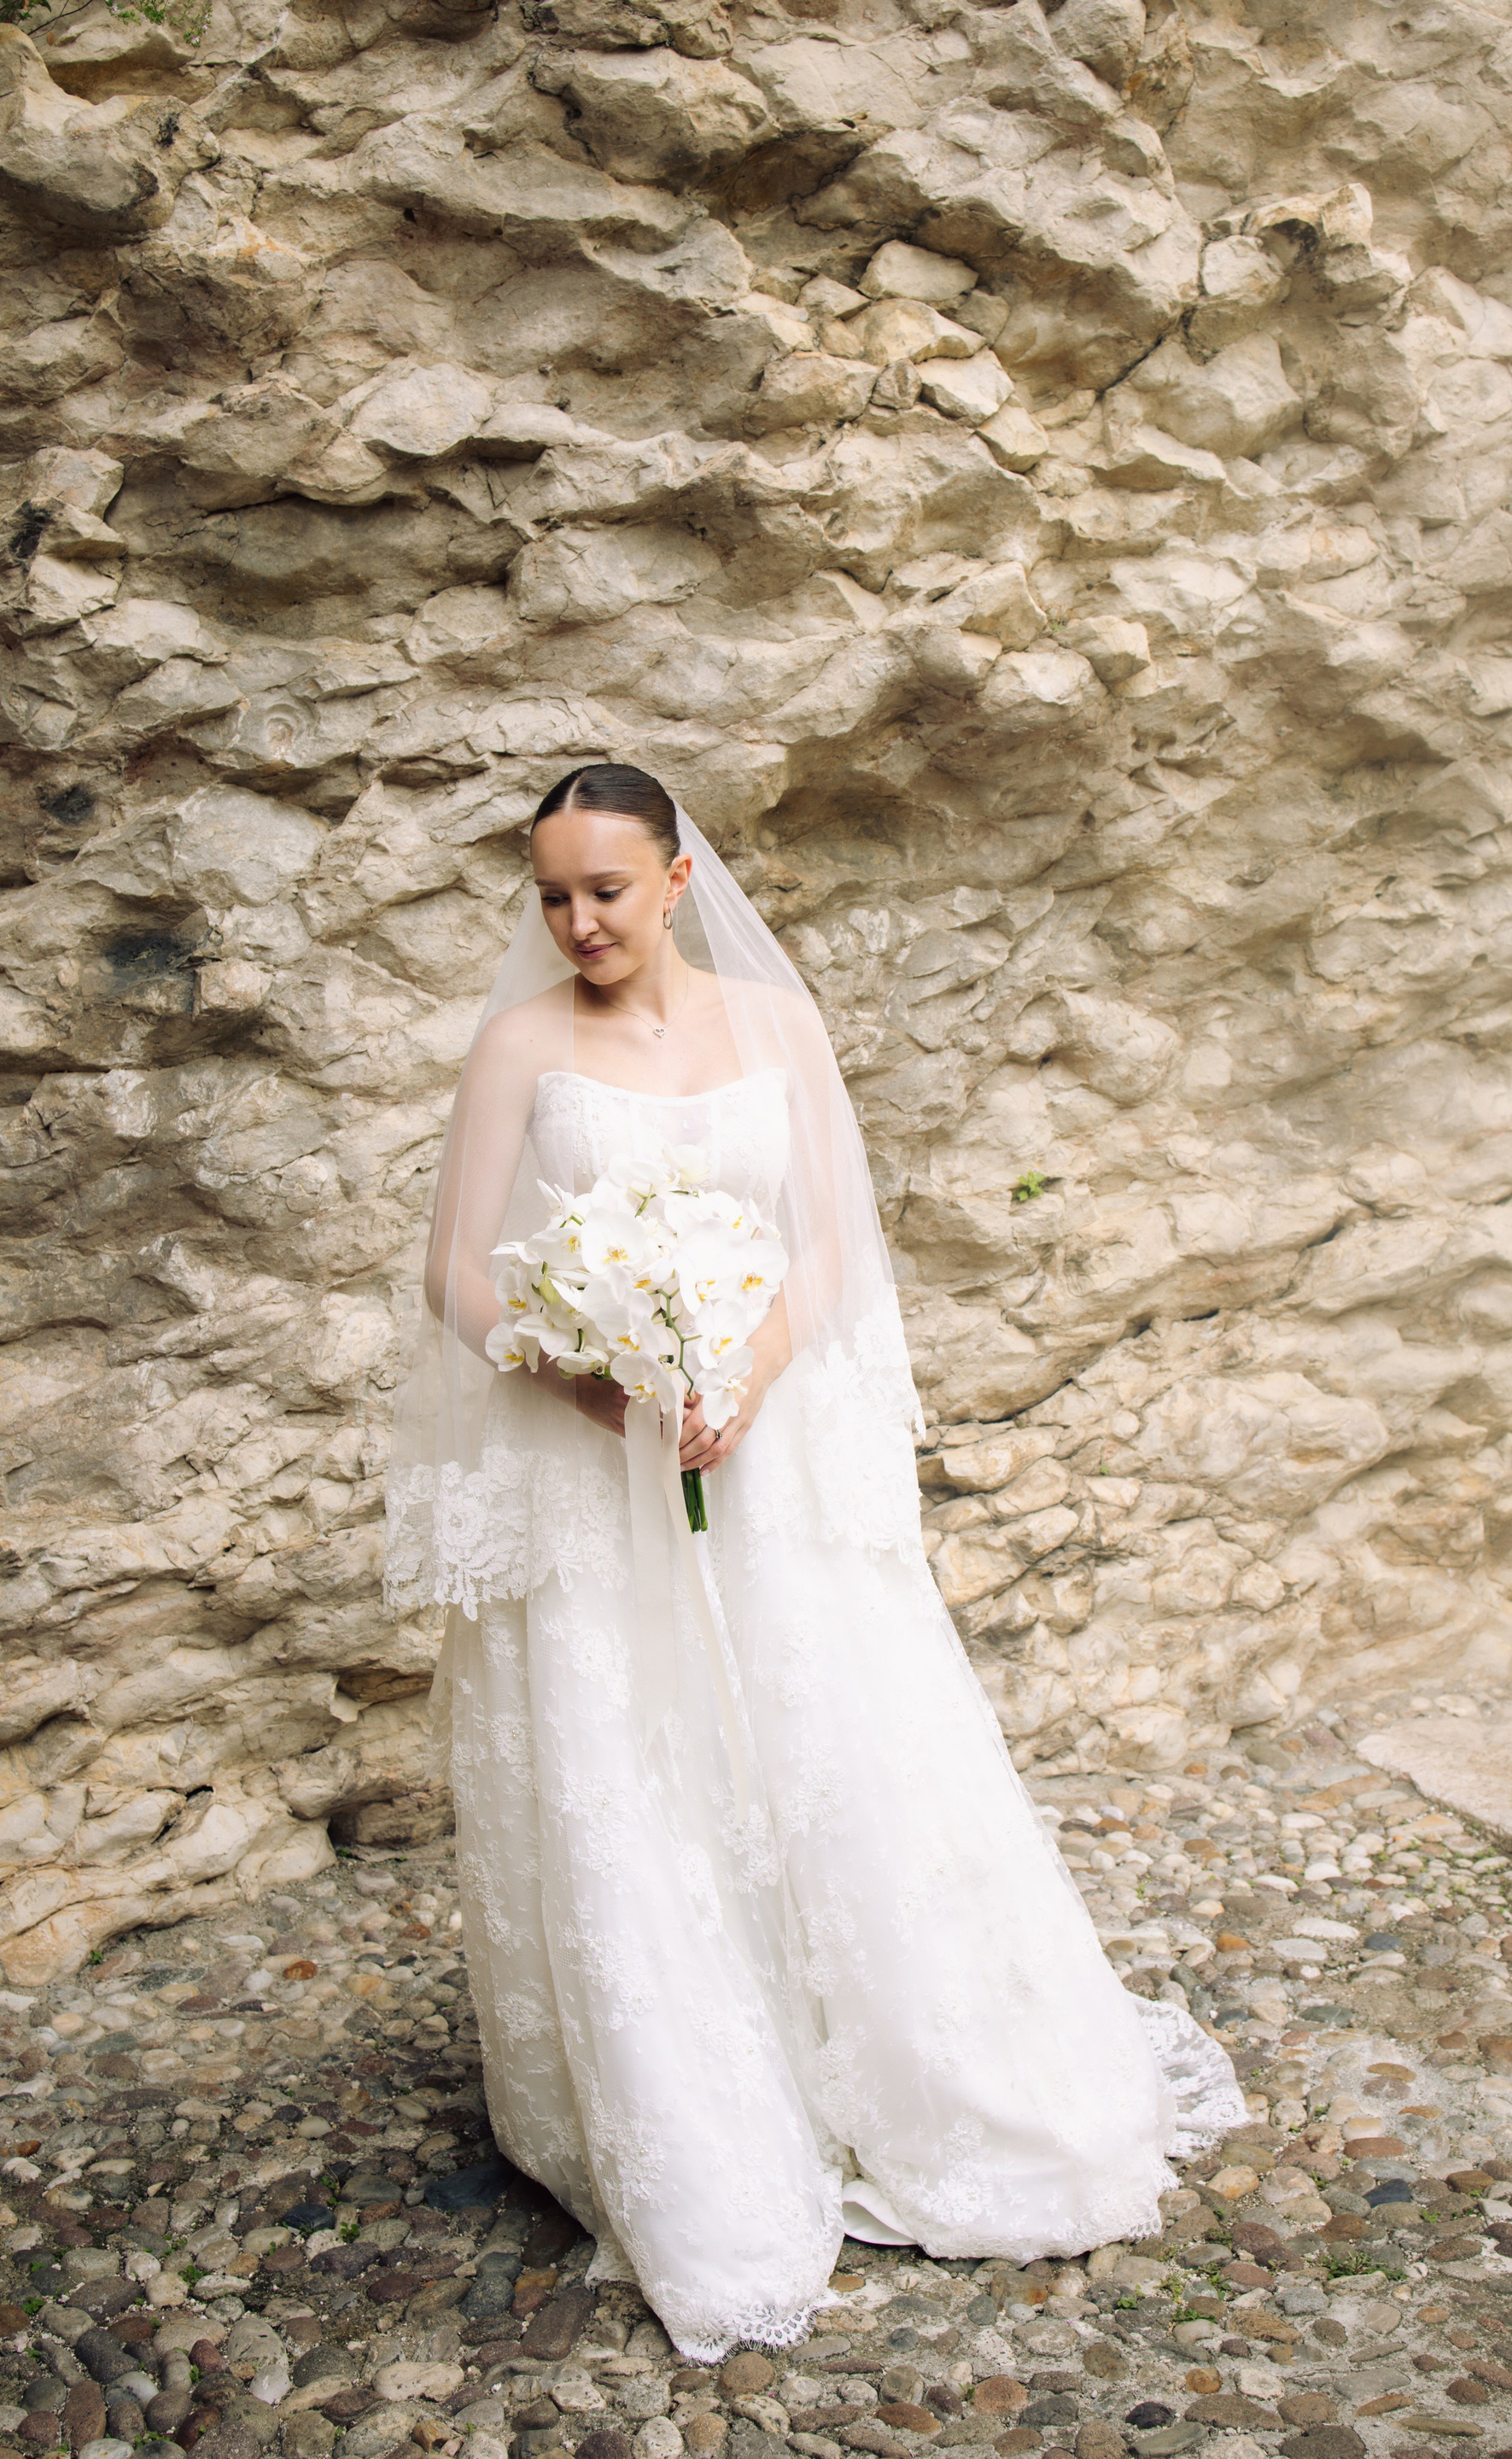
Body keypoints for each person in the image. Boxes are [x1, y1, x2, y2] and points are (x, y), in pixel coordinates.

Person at [385, 762, 1244, 2363]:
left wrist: (745, 1370)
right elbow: (455, 1268)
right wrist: (594, 1380)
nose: (577, 923)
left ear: (678, 878)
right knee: (634, 1755)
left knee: (824, 1741)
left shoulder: (778, 1025)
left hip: (758, 1445)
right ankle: (696, 2115)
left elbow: (833, 1238)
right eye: (552, 896)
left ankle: (909, 2070)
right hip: (596, 1456)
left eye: (606, 891)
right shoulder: (520, 1046)